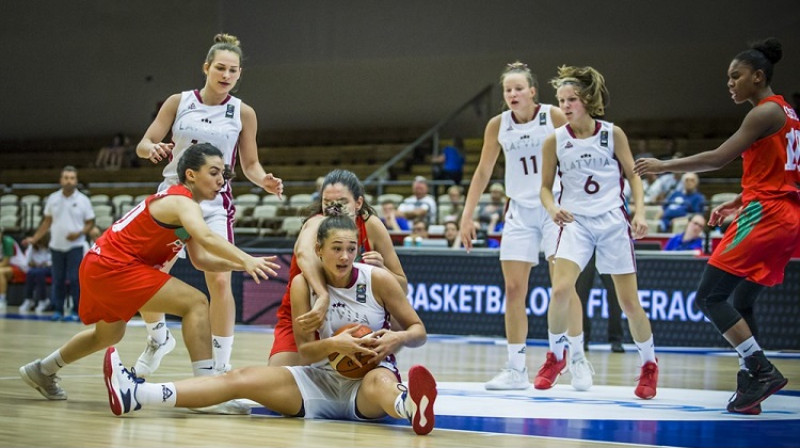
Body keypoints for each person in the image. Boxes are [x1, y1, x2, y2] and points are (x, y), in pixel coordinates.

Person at [104, 215, 438, 435]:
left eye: (351, 248)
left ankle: (410, 408)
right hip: (316, 381)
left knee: (382, 380)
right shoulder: (301, 286)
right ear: (319, 250)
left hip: (365, 383)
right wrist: (335, 346)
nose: (345, 256)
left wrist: (397, 339)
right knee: (239, 378)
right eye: (337, 248)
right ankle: (136, 394)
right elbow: (305, 352)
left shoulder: (377, 280)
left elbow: (418, 330)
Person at [19, 144, 280, 407]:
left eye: (223, 174)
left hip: (100, 265)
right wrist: (245, 257)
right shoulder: (181, 201)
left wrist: (241, 266)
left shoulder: (184, 207)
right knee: (196, 302)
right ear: (190, 174)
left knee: (107, 336)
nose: (221, 180)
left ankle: (42, 369)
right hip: (114, 266)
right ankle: (208, 391)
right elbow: (207, 236)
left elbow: (201, 260)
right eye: (213, 172)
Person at [635, 38, 798, 414]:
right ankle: (750, 386)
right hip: (785, 213)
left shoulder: (762, 113)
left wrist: (664, 166)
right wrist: (738, 201)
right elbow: (784, 173)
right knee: (741, 300)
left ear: (758, 77)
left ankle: (760, 368)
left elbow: (720, 157)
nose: (730, 83)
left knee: (709, 297)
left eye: (735, 76)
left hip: (767, 215)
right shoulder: (789, 113)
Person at [134, 33, 283, 377]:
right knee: (147, 276)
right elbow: (145, 142)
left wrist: (265, 181)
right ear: (206, 67)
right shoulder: (178, 101)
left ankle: (220, 365)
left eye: (233, 70)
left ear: (239, 74)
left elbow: (250, 165)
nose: (226, 74)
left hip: (214, 202)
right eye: (220, 67)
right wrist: (151, 149)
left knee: (218, 280)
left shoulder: (243, 112)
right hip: (172, 198)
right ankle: (158, 338)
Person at [459, 61, 592, 392]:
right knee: (514, 290)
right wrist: (467, 214)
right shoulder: (498, 125)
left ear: (533, 91)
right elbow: (483, 171)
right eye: (508, 90)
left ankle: (576, 358)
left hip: (554, 208)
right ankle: (516, 368)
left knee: (563, 287)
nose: (513, 94)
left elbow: (578, 156)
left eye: (519, 88)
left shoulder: (553, 116)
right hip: (518, 210)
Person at [540, 65, 658, 399]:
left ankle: (649, 364)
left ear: (588, 101)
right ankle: (555, 356)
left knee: (629, 302)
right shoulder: (555, 140)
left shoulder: (612, 134)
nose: (565, 105)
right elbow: (545, 188)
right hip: (575, 222)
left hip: (611, 221)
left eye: (572, 99)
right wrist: (551, 208)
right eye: (561, 100)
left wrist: (640, 210)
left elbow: (634, 175)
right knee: (561, 289)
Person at [268, 169, 407, 367]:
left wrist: (383, 269)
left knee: (398, 315)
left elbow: (402, 288)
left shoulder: (371, 226)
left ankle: (376, 364)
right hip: (310, 312)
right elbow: (304, 254)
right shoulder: (316, 223)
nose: (334, 208)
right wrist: (323, 295)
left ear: (358, 203)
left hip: (353, 314)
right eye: (327, 203)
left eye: (341, 202)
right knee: (278, 386)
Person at [23, 166, 95, 321]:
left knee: (75, 279)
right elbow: (47, 222)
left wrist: (79, 233)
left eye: (72, 178)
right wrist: (34, 239)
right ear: (61, 180)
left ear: (76, 180)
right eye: (66, 177)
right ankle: (58, 311)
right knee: (58, 280)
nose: (69, 181)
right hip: (56, 246)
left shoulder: (83, 200)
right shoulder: (52, 198)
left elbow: (90, 222)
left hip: (75, 246)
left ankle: (76, 312)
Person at [575, 254, 625, 353]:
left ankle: (616, 339)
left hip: (607, 248)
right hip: (587, 248)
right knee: (580, 294)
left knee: (615, 294)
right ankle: (582, 337)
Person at [19, 233, 52, 314]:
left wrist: (44, 264)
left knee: (39, 272)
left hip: (50, 269)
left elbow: (52, 262)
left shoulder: (51, 246)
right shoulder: (32, 247)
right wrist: (34, 264)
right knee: (31, 272)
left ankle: (43, 300)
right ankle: (29, 299)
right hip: (36, 269)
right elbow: (27, 262)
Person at [0, 227, 27, 308]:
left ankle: (2, 300)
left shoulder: (8, 242)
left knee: (0, 272)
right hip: (8, 267)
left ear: (1, 234)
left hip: (20, 267)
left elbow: (5, 262)